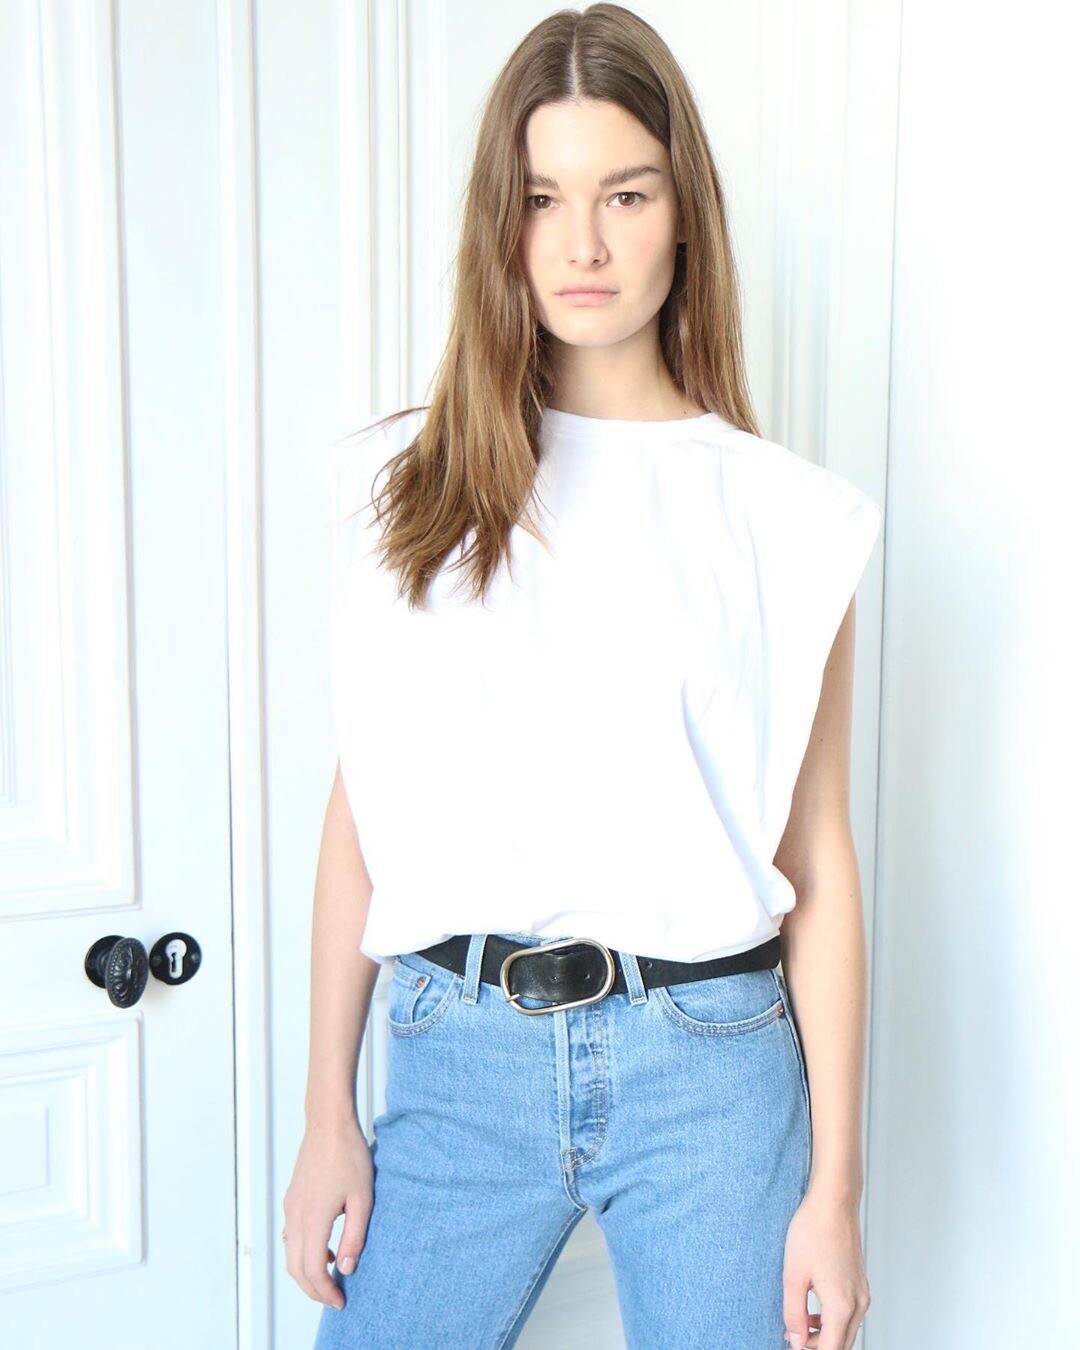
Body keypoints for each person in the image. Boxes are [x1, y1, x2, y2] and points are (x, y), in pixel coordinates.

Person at [284, 5, 880, 1348]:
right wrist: (328, 1113)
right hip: (457, 1057)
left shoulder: (787, 519)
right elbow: (361, 811)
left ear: (684, 215)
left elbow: (820, 862)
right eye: (544, 198)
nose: (584, 244)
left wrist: (836, 1188)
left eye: (626, 193)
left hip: (710, 1068)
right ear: (501, 222)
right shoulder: (403, 485)